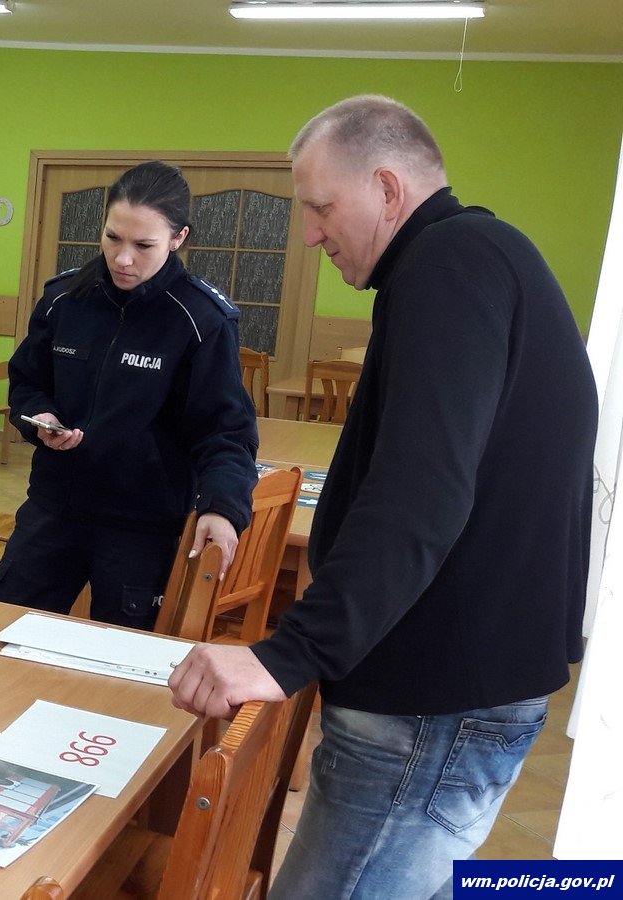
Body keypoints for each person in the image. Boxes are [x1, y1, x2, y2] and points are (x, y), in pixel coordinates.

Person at [169, 96, 596, 897]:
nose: (310, 234)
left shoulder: (449, 264)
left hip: (433, 706)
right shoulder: (483, 257)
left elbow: (420, 493)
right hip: (460, 687)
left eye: (321, 207)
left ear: (389, 189)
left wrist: (286, 655)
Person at [0, 160, 258, 629]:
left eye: (143, 245)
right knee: (2, 634)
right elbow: (27, 381)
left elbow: (225, 432)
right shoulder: (64, 298)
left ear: (178, 238)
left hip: (141, 528)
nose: (123, 259)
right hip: (53, 509)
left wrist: (222, 507)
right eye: (112, 238)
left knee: (119, 660)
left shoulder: (201, 319)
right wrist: (41, 417)